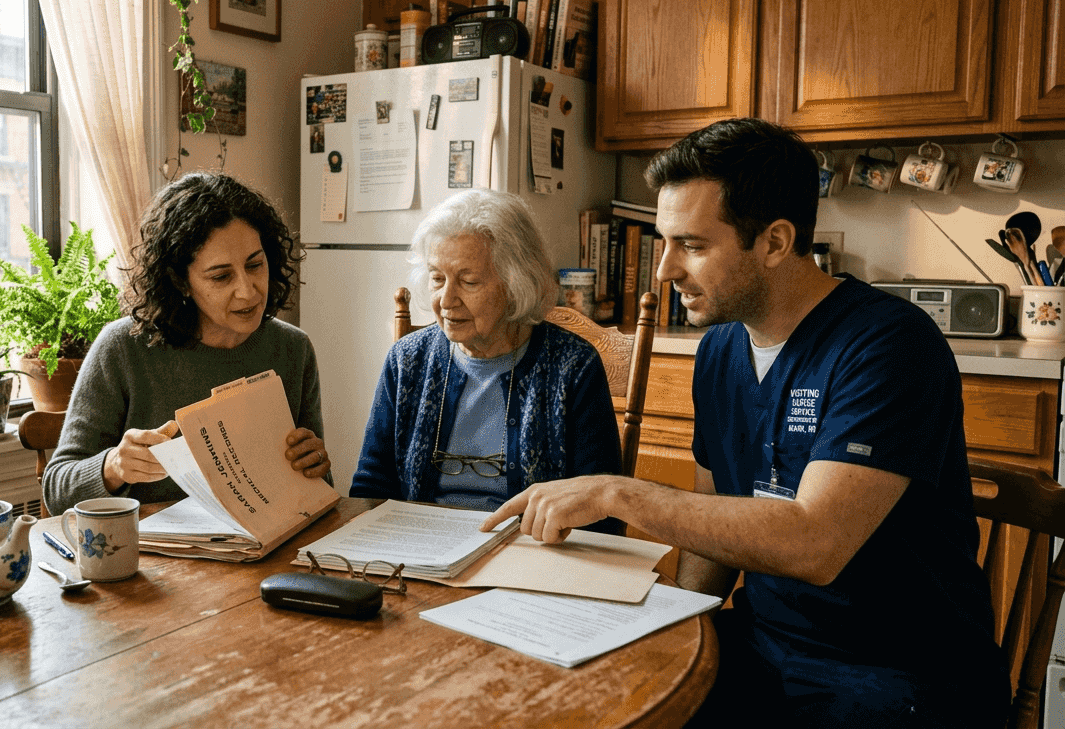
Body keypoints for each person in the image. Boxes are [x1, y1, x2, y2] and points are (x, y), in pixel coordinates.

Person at [482, 118, 1007, 727]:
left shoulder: (889, 344)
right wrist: (677, 625)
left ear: (776, 242)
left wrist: (616, 492)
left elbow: (815, 543)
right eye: (665, 242)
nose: (664, 270)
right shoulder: (720, 350)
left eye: (693, 245)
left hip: (899, 674)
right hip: (763, 647)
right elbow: (714, 522)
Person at [42, 172, 330, 516]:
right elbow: (56, 490)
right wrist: (114, 466)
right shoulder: (122, 349)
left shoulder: (293, 349)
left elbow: (318, 495)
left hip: (266, 543)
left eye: (255, 264)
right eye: (221, 276)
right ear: (180, 281)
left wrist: (314, 465)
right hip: (151, 548)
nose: (248, 290)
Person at [350, 189, 623, 527]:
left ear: (516, 284)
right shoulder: (407, 360)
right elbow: (371, 487)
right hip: (420, 546)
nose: (446, 300)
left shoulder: (573, 367)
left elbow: (601, 514)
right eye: (437, 279)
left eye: (469, 281)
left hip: (530, 549)